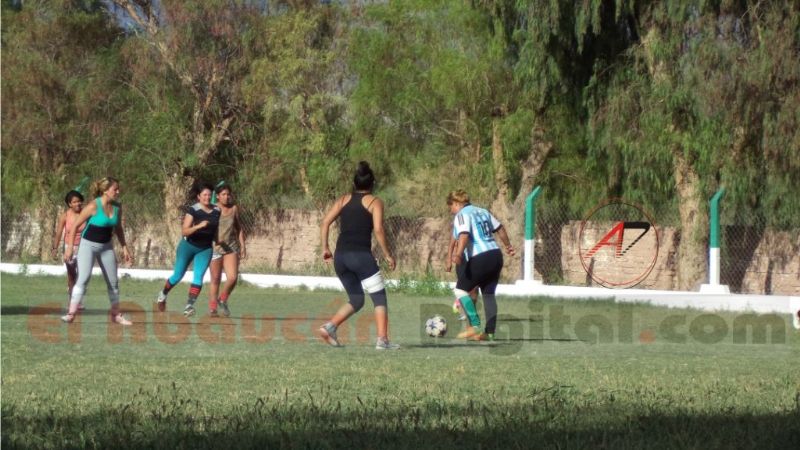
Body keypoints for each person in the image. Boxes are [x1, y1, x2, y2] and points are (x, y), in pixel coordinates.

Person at [318, 161, 399, 350]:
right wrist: (387, 254)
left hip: (341, 258)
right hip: (360, 256)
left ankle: (329, 327)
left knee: (357, 299)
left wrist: (325, 247)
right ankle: (382, 341)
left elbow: (325, 222)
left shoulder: (343, 199)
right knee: (379, 297)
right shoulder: (375, 201)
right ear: (372, 184)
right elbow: (378, 228)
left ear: (354, 184)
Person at [61, 177, 133, 325]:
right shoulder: (94, 206)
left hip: (106, 246)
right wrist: (69, 248)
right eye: (115, 189)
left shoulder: (117, 207)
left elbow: (118, 228)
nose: (118, 192)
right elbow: (75, 226)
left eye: (118, 189)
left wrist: (125, 247)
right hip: (88, 246)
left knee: (113, 282)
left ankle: (116, 315)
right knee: (83, 279)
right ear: (105, 190)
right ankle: (71, 313)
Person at [447, 189, 515, 341]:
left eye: (451, 206)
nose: (451, 210)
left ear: (457, 203)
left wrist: (458, 254)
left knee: (460, 290)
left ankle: (475, 325)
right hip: (496, 255)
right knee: (489, 295)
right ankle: (489, 333)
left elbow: (463, 236)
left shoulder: (462, 215)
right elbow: (500, 228)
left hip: (481, 257)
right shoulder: (483, 211)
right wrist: (508, 245)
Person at [156, 183, 221, 317]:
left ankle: (189, 306)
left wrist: (217, 239)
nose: (207, 197)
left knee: (198, 277)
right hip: (188, 246)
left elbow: (215, 228)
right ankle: (162, 295)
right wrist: (198, 226)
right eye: (204, 195)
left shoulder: (217, 211)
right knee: (178, 276)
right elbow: (185, 231)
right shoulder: (193, 210)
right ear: (199, 197)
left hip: (205, 248)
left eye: (209, 195)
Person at [207, 183, 246, 317]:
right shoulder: (213, 209)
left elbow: (239, 228)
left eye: (228, 194)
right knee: (215, 279)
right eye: (223, 194)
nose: (226, 197)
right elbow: (207, 228)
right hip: (215, 248)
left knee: (233, 277)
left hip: (231, 248)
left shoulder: (234, 209)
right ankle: (213, 308)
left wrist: (243, 245)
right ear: (217, 196)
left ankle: (222, 299)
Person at [52, 190, 86, 310]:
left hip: (84, 248)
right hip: (69, 248)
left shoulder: (86, 214)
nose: (77, 204)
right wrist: (55, 248)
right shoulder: (65, 216)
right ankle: (72, 301)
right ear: (69, 204)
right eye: (74, 202)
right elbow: (59, 233)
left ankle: (79, 301)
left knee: (82, 276)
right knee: (72, 276)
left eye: (79, 201)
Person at [445, 230, 478, 321]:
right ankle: (463, 311)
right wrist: (450, 259)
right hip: (462, 259)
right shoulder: (459, 226)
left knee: (474, 287)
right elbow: (453, 243)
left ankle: (470, 312)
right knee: (462, 286)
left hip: (475, 258)